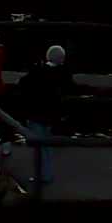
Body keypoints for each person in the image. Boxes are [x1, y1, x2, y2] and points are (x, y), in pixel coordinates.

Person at [12, 47, 77, 190]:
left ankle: (42, 174)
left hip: (36, 112)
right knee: (47, 144)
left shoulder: (38, 71)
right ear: (62, 58)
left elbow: (24, 83)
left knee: (38, 144)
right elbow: (71, 88)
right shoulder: (64, 73)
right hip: (53, 114)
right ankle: (47, 173)